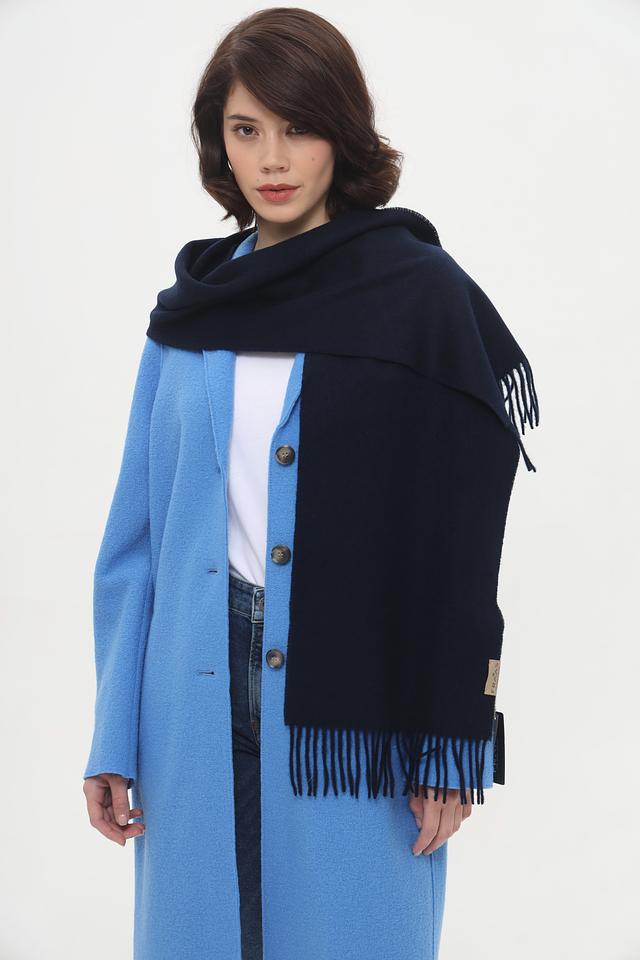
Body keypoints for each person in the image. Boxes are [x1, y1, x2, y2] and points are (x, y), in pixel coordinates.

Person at [82, 8, 538, 960]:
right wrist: (113, 733)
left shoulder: (416, 295)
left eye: (299, 127)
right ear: (218, 143)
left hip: (361, 705)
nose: (274, 159)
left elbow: (458, 544)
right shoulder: (192, 310)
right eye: (246, 129)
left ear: (343, 132)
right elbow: (137, 540)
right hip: (192, 695)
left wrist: (451, 740)